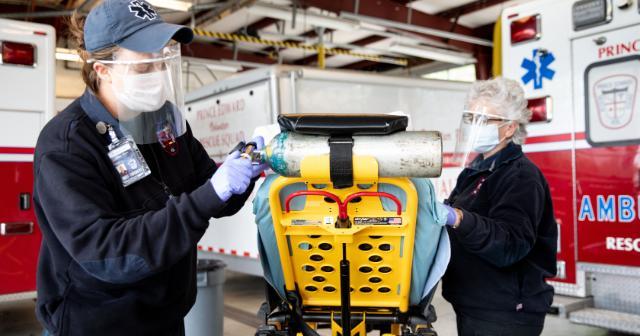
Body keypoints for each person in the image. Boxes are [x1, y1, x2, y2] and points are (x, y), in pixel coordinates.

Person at [33, 1, 268, 335]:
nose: (157, 78)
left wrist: (244, 166)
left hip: (165, 316)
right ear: (103, 70)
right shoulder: (66, 146)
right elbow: (107, 253)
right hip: (98, 324)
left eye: (163, 63)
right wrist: (209, 194)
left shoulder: (162, 119)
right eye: (144, 69)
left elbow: (210, 190)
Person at [438, 77, 558, 336]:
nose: (472, 126)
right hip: (474, 303)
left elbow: (510, 243)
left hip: (506, 313)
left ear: (508, 128)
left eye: (482, 120)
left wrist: (459, 217)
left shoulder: (521, 177)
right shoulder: (475, 172)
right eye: (469, 118)